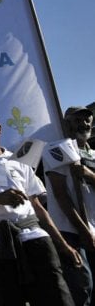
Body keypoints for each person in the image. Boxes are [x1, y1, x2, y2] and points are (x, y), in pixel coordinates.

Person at [0, 106, 80, 306]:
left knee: (58, 298)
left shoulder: (21, 160)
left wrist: (63, 245)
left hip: (35, 239)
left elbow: (38, 207)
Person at [42, 106, 95, 306]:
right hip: (70, 230)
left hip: (93, 226)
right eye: (77, 120)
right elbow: (61, 195)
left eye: (87, 119)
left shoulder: (93, 153)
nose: (84, 123)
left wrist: (89, 175)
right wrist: (83, 230)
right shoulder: (56, 149)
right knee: (82, 285)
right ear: (66, 123)